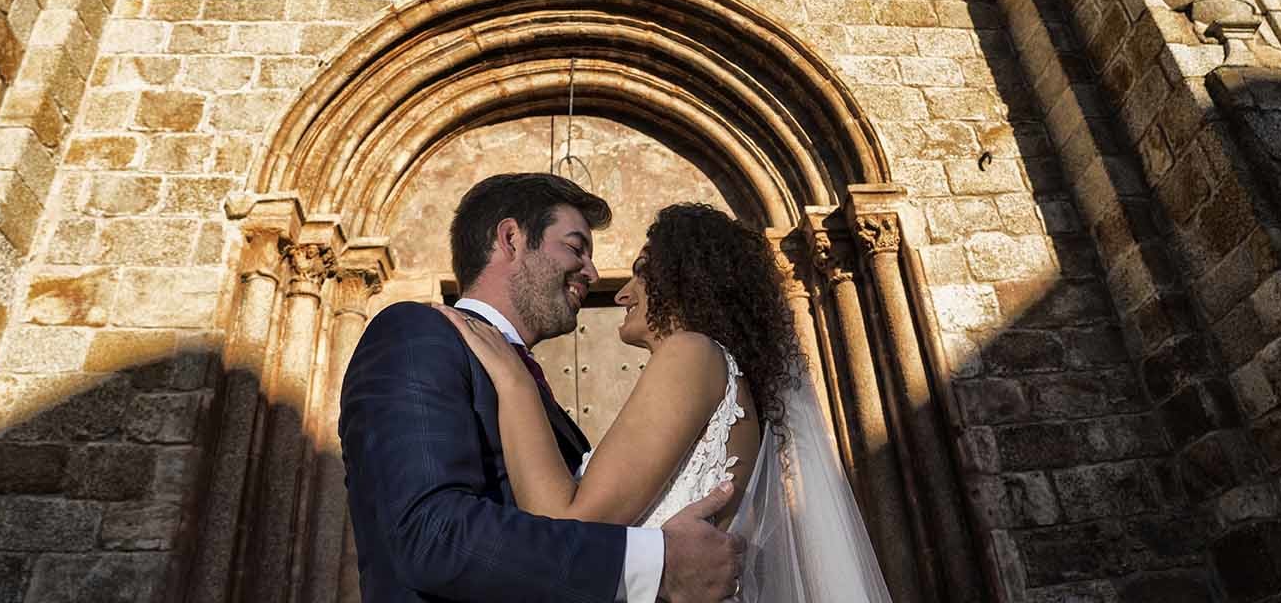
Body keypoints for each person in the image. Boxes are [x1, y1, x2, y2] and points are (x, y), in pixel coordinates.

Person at [437, 202, 894, 602]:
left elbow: (568, 525)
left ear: (682, 279)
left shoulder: (691, 352)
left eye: (640, 272)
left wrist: (514, 379)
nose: (621, 293)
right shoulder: (724, 377)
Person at [339, 174, 744, 603]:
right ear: (511, 238)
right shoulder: (417, 333)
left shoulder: (536, 394)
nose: (592, 272)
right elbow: (430, 534)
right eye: (575, 247)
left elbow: (566, 533)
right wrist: (658, 563)